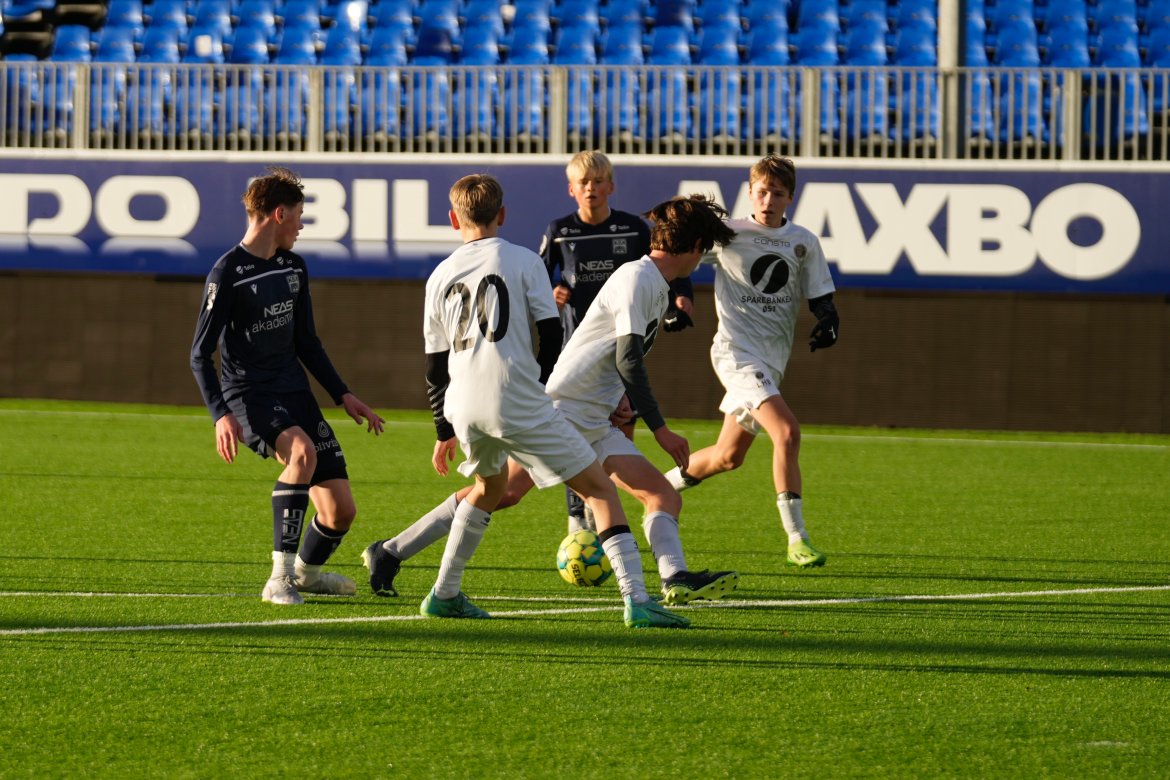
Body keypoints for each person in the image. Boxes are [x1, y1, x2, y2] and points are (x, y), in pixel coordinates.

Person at [363, 194, 740, 607]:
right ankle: (392, 552)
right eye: (705, 249)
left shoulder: (653, 284)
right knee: (503, 492)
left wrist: (616, 396)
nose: (703, 259)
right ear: (695, 246)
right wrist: (660, 428)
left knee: (662, 495)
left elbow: (612, 355)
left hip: (593, 416)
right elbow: (627, 358)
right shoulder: (637, 278)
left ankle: (675, 577)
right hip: (566, 408)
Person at [190, 166, 385, 605]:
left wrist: (343, 395)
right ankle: (278, 579)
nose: (301, 226)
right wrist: (220, 414)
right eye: (298, 216)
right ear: (279, 214)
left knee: (340, 512)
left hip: (295, 393)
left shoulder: (294, 266)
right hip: (250, 395)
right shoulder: (227, 273)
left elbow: (307, 343)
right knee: (301, 453)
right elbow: (199, 354)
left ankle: (307, 575)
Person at [664, 155, 839, 569]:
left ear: (790, 197)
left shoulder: (803, 241)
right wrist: (678, 300)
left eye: (777, 193)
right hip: (736, 354)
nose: (768, 200)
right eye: (762, 191)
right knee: (787, 432)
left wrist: (828, 319)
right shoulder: (730, 235)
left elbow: (820, 293)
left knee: (728, 456)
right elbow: (680, 259)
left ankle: (657, 489)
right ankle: (797, 538)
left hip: (771, 361)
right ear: (750, 192)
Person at [539, 150, 696, 534]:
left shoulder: (632, 229)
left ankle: (603, 515)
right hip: (579, 349)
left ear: (610, 186)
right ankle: (580, 521)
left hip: (623, 343)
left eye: (598, 181)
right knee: (574, 440)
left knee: (618, 428)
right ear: (571, 189)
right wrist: (552, 292)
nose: (591, 188)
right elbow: (538, 277)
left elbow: (670, 263)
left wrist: (682, 296)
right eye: (583, 182)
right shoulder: (560, 230)